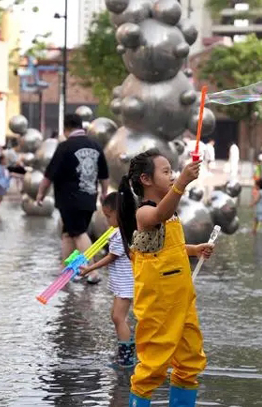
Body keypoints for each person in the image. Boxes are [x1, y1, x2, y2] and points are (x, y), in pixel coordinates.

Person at [117, 149, 214, 406]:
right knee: (153, 364)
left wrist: (193, 250)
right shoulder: (144, 214)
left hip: (182, 301)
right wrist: (182, 183)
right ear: (146, 180)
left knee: (190, 359)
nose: (172, 176)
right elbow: (158, 216)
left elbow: (166, 249)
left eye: (173, 171)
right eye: (166, 172)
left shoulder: (172, 213)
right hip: (159, 304)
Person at [36, 113, 109, 284]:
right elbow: (104, 174)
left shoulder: (65, 147)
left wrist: (40, 193)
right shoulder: (95, 146)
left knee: (78, 233)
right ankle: (66, 270)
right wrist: (104, 193)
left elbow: (49, 174)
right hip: (89, 197)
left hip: (69, 199)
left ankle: (92, 271)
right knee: (68, 234)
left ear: (66, 128)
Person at [79, 192, 136, 368]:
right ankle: (124, 349)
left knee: (118, 317)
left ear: (120, 213)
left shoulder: (121, 233)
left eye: (109, 216)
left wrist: (90, 267)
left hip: (126, 283)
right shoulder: (124, 230)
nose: (107, 220)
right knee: (117, 316)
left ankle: (126, 357)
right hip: (123, 282)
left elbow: (111, 257)